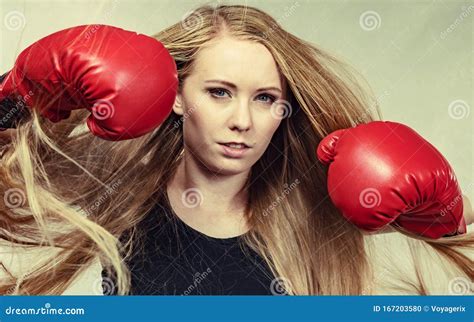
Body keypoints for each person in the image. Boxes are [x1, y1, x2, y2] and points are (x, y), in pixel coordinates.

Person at [0, 4, 472, 295]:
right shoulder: (118, 186)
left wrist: (443, 206)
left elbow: (463, 220)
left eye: (265, 99)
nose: (242, 121)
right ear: (178, 95)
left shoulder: (310, 205)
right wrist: (18, 96)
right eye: (220, 92)